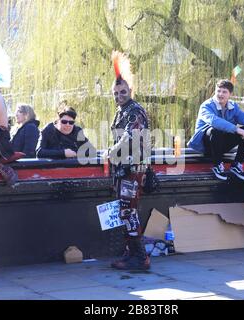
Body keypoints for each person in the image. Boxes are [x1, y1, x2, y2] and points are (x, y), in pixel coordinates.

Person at [107, 51, 151, 271]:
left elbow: (129, 137)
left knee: (128, 212)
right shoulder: (121, 111)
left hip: (132, 170)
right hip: (125, 170)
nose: (119, 96)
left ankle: (140, 257)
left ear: (130, 91)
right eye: (115, 93)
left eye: (122, 92)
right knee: (125, 211)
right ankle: (131, 252)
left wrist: (110, 152)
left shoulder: (134, 111)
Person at [188, 79, 244, 181]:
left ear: (230, 94)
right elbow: (215, 121)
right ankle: (217, 166)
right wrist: (236, 130)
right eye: (218, 91)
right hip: (207, 146)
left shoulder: (233, 106)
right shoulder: (206, 106)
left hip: (222, 145)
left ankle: (236, 164)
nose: (220, 94)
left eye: (224, 92)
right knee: (215, 130)